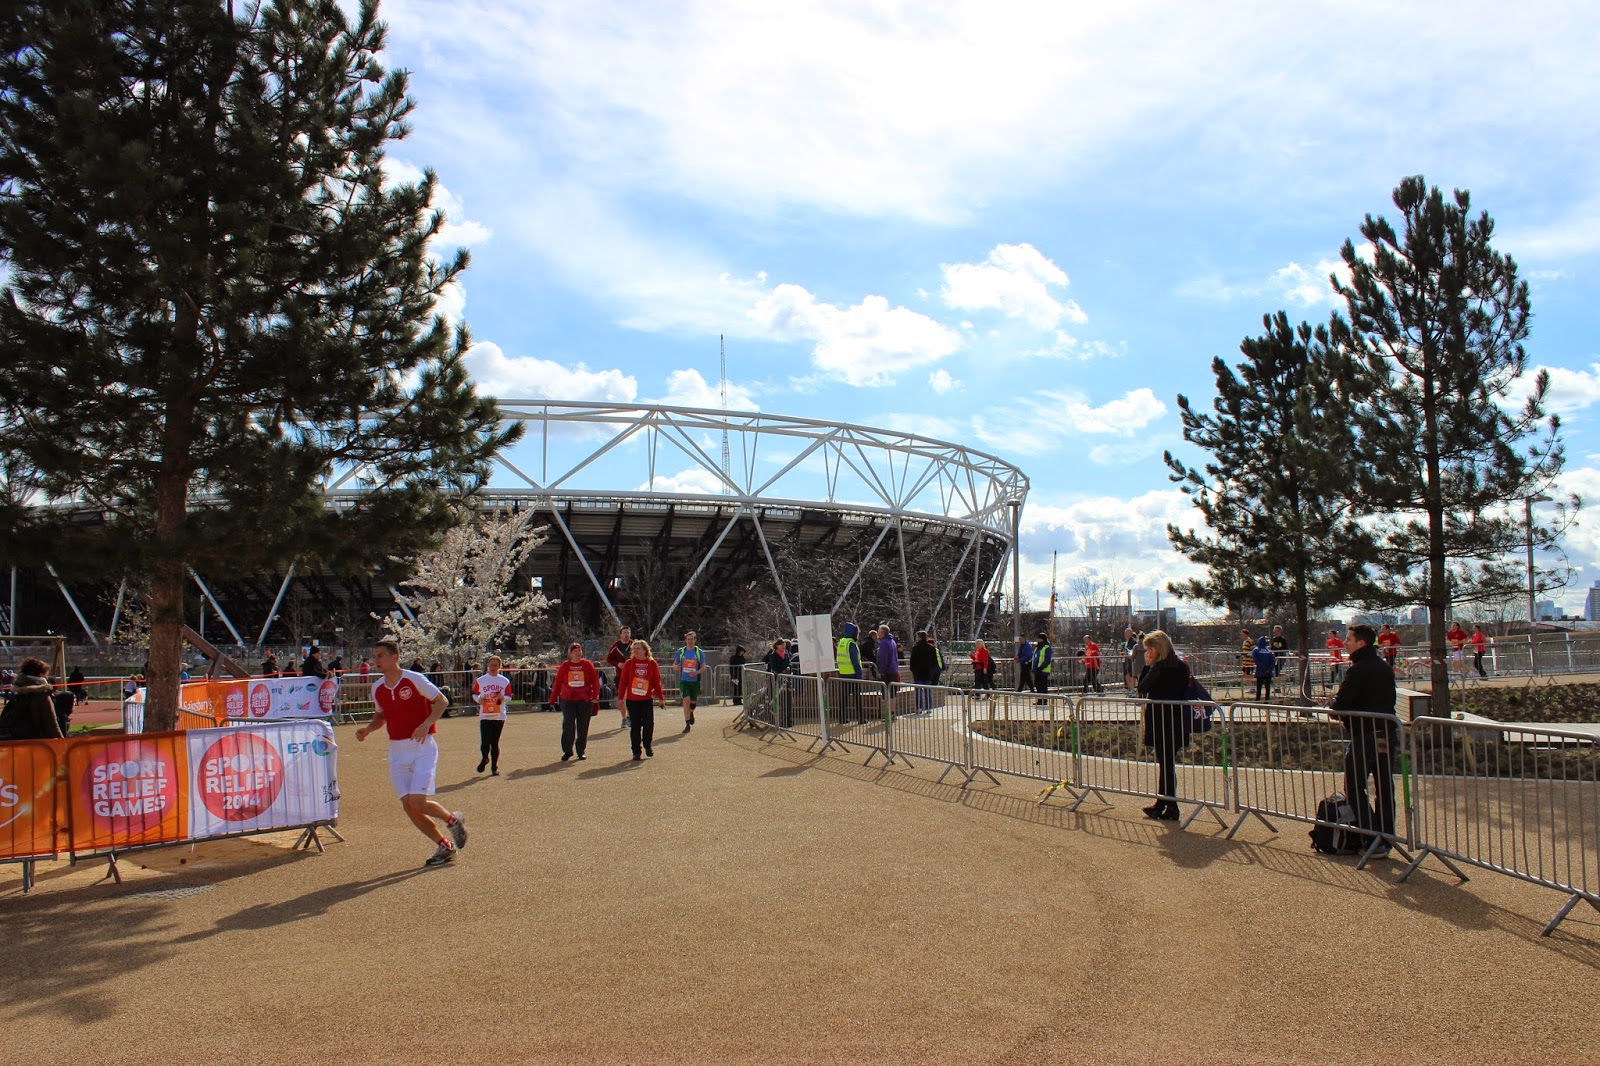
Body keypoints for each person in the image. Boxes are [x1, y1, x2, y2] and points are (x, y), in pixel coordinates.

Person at [354, 639, 467, 867]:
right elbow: (380, 716)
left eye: (381, 655)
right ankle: (444, 846)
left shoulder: (413, 679)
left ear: (394, 657)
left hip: (422, 747)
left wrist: (426, 724)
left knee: (418, 802)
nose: (376, 660)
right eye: (375, 656)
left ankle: (453, 820)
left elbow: (441, 701)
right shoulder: (377, 688)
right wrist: (367, 729)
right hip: (397, 751)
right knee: (408, 806)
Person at [1329, 624, 1399, 854]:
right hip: (1387, 733)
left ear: (1361, 643)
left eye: (1349, 639)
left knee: (1354, 786)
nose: (1345, 643)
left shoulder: (1358, 669)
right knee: (1385, 788)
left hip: (1364, 736)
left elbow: (1342, 704)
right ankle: (1385, 837)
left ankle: (1372, 836)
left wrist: (1334, 707)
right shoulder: (1383, 667)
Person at [1137, 631, 1194, 822]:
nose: (1148, 653)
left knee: (1166, 764)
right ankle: (1166, 804)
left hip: (1162, 720)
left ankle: (1169, 804)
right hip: (1176, 719)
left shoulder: (1159, 667)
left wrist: (1146, 666)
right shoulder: (1181, 666)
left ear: (1156, 649)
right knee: (1167, 764)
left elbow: (1143, 687)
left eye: (1149, 649)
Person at [549, 642, 601, 761]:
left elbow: (595, 681)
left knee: (583, 726)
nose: (578, 653)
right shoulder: (565, 666)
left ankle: (581, 750)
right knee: (568, 725)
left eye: (579, 651)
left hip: (584, 700)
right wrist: (552, 698)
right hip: (568, 700)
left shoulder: (587, 665)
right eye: (575, 651)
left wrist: (595, 696)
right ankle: (567, 750)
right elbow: (558, 683)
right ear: (570, 653)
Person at [617, 639, 666, 760]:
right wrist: (620, 699)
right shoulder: (629, 664)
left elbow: (656, 682)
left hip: (646, 699)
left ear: (645, 650)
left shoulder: (652, 663)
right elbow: (623, 682)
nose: (635, 651)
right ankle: (636, 751)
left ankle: (647, 745)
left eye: (638, 648)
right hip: (632, 700)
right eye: (634, 649)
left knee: (648, 724)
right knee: (635, 726)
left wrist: (661, 698)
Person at [0, 659, 65, 740]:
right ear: (41, 674)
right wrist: (62, 744)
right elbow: (51, 725)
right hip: (37, 742)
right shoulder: (42, 696)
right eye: (46, 674)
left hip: (16, 741)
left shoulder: (17, 694)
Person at [472, 654, 513, 775]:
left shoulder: (504, 681)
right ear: (487, 666)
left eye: (496, 665)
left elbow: (509, 696)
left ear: (500, 667)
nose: (493, 667)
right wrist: (479, 699)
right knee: (485, 741)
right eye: (491, 665)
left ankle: (494, 767)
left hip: (498, 715)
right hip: (485, 714)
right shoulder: (481, 680)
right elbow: (474, 693)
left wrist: (503, 697)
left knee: (494, 742)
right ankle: (485, 758)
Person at [674, 631, 706, 734]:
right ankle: (687, 724)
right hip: (684, 681)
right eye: (688, 639)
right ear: (685, 640)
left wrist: (696, 672)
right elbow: (674, 664)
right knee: (686, 701)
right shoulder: (681, 651)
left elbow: (703, 666)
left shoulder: (699, 652)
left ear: (695, 640)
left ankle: (691, 712)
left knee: (693, 703)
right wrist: (676, 667)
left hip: (695, 681)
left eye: (692, 639)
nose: (690, 641)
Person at [834, 623, 865, 723]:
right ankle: (861, 718)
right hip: (853, 674)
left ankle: (842, 718)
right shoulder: (851, 643)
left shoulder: (841, 642)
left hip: (843, 673)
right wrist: (859, 674)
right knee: (857, 697)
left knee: (844, 697)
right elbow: (855, 661)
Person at [606, 626, 634, 730]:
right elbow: (609, 659)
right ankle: (624, 719)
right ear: (620, 634)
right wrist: (618, 664)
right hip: (620, 676)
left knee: (631, 698)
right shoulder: (616, 646)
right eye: (624, 632)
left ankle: (630, 717)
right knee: (622, 698)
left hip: (633, 676)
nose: (626, 634)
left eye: (628, 632)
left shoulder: (634, 644)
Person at [908, 630, 938, 713]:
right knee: (928, 690)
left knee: (918, 691)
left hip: (917, 673)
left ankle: (919, 708)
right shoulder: (931, 648)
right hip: (928, 672)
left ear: (919, 638)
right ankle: (928, 708)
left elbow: (912, 661)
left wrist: (912, 669)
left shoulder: (915, 648)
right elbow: (934, 661)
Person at [1251, 635, 1276, 701]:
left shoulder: (1256, 650)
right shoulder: (1269, 651)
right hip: (1268, 673)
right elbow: (1273, 661)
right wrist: (1269, 669)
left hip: (1260, 672)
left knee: (1259, 686)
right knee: (1267, 687)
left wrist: (1262, 668)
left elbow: (1256, 660)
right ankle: (1267, 700)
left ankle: (1257, 699)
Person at [1032, 631, 1053, 702]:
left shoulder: (1046, 647)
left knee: (1042, 686)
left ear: (1043, 639)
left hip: (1043, 670)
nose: (1038, 640)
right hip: (1037, 670)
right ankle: (1040, 700)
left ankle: (1044, 700)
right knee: (1038, 685)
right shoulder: (1038, 648)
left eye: (1039, 639)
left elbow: (1047, 659)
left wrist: (1041, 667)